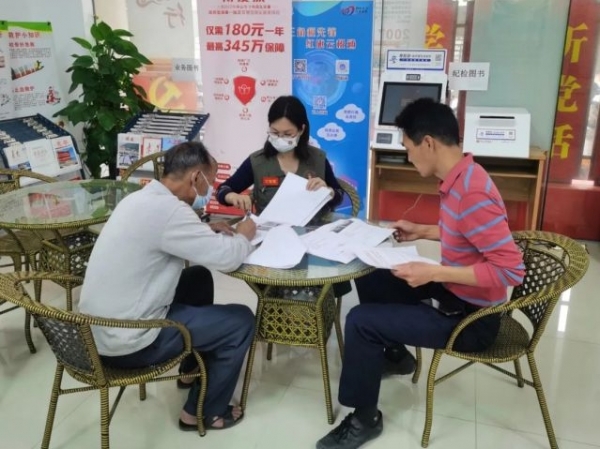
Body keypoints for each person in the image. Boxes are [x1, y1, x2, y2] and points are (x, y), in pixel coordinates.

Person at [316, 98, 525, 449]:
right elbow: (465, 232)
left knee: (361, 321)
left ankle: (364, 419)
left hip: (473, 320)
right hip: (455, 294)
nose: (408, 157)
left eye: (408, 148)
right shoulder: (462, 178)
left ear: (428, 143)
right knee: (370, 271)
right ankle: (397, 357)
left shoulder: (472, 192)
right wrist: (422, 231)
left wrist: (434, 272)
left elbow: (509, 270)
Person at [79, 141, 257, 432]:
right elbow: (227, 259)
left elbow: (162, 233)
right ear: (195, 177)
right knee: (241, 320)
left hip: (97, 332)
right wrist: (243, 235)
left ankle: (190, 370)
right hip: (129, 343)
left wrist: (204, 229)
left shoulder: (140, 199)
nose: (210, 190)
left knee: (197, 278)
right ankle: (202, 413)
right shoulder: (171, 212)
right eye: (210, 182)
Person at [215, 95, 344, 218]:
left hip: (312, 230)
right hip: (269, 230)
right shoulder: (257, 161)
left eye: (287, 134)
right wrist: (232, 197)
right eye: (275, 132)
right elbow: (222, 190)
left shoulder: (318, 159)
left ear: (301, 129)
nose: (280, 138)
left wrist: (329, 191)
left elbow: (339, 195)